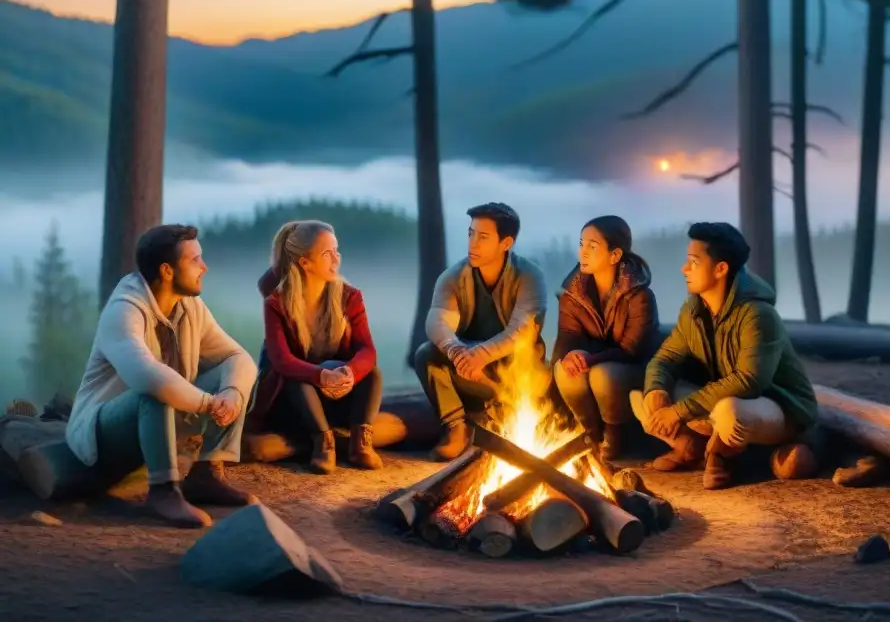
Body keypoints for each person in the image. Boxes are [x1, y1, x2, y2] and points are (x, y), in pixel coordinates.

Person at [65, 224, 259, 529]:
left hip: (163, 418)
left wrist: (231, 393)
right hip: (105, 432)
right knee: (154, 392)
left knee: (234, 375)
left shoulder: (190, 306)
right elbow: (147, 376)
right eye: (195, 260)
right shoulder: (124, 310)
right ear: (167, 271)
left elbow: (237, 357)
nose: (204, 267)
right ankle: (163, 491)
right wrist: (209, 403)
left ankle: (206, 475)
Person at [630, 222, 820, 490]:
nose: (684, 269)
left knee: (729, 411)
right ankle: (691, 446)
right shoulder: (693, 311)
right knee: (643, 399)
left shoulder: (757, 315)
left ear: (720, 269)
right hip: (719, 401)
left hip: (776, 408)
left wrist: (679, 411)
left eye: (693, 262)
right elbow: (665, 359)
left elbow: (748, 381)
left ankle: (720, 456)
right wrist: (657, 391)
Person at [247, 220, 384, 473]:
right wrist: (320, 375)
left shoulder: (349, 296)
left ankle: (360, 444)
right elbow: (282, 360)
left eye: (337, 251)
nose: (336, 260)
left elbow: (367, 350)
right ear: (304, 262)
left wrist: (349, 373)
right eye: (326, 254)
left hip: (336, 394)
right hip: (295, 403)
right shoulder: (277, 303)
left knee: (372, 373)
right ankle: (323, 442)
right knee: (295, 377)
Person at [414, 202, 547, 461]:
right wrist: (456, 351)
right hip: (467, 367)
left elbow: (522, 331)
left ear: (506, 243)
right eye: (470, 233)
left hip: (514, 373)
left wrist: (482, 355)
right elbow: (438, 319)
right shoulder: (454, 276)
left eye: (483, 237)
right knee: (426, 353)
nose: (473, 243)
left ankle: (502, 419)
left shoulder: (530, 276)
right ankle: (456, 428)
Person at [552, 216, 660, 462]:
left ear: (614, 255)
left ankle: (616, 434)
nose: (583, 252)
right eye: (582, 243)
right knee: (565, 371)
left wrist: (591, 358)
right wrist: (571, 355)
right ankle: (590, 435)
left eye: (592, 245)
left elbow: (632, 348)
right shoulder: (574, 294)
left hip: (634, 368)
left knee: (603, 376)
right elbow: (568, 336)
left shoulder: (639, 295)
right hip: (593, 361)